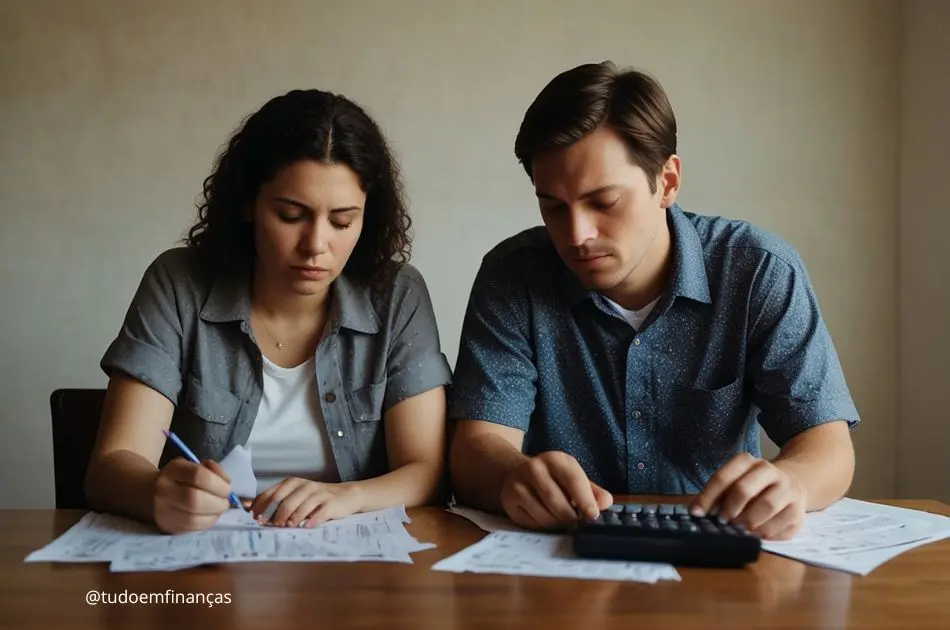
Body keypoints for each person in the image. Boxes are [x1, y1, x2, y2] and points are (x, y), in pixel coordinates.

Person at [447, 61, 859, 541]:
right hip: (560, 560)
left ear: (667, 181)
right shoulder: (513, 276)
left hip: (715, 556)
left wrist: (791, 482)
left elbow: (829, 447)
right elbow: (476, 448)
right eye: (554, 207)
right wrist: (509, 475)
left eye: (604, 203)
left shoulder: (758, 270)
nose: (577, 235)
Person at [85, 89, 452, 534]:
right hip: (207, 565)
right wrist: (158, 494)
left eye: (342, 221)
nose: (316, 245)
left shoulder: (395, 294)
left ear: (366, 218)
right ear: (248, 204)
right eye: (291, 214)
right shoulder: (179, 284)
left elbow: (426, 471)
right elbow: (111, 465)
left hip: (356, 567)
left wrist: (347, 496)